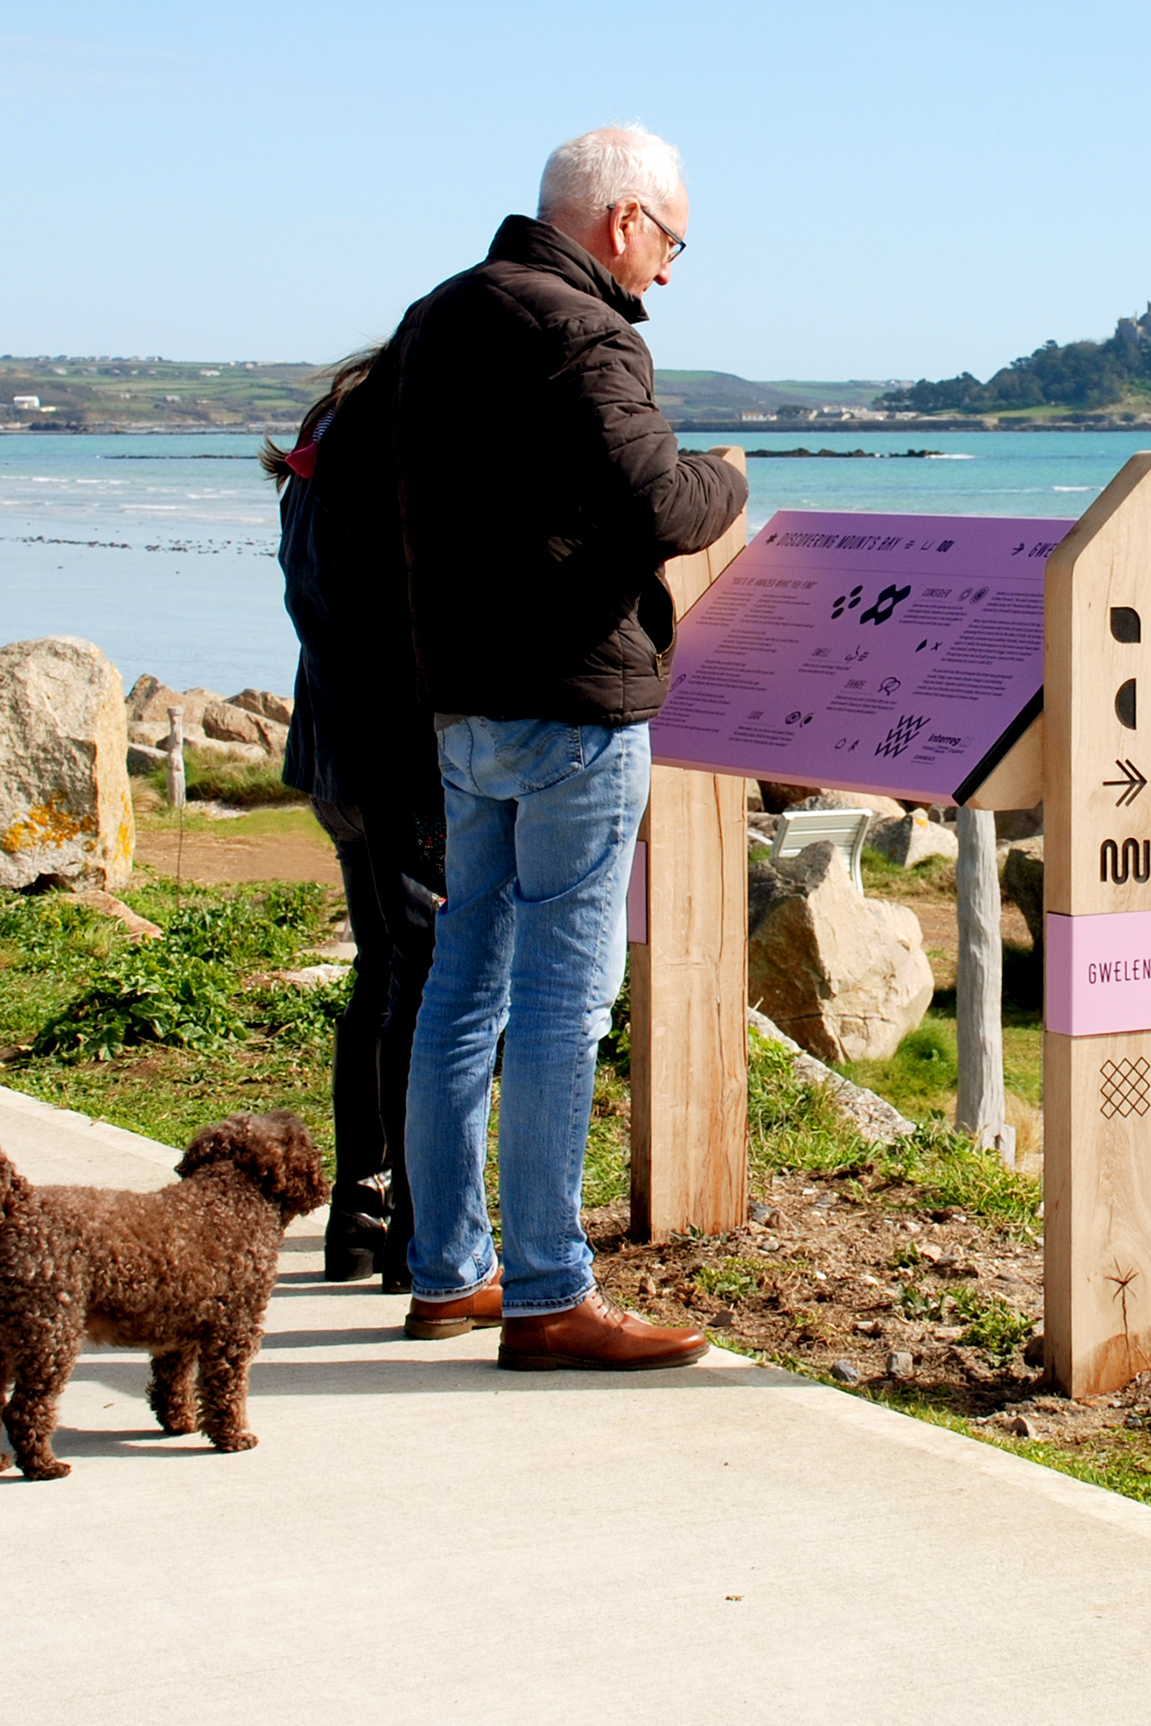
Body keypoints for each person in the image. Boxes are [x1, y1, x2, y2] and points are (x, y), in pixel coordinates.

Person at [389, 124, 746, 1370]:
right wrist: (733, 477)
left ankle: (449, 1273)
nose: (667, 271)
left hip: (462, 698)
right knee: (558, 999)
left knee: (461, 981)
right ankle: (547, 1290)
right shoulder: (588, 331)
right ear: (624, 221)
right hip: (571, 706)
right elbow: (661, 502)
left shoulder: (437, 319)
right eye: (673, 242)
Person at [266, 347, 443, 1288]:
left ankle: (363, 1215)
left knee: (382, 973)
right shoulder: (398, 445)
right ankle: (421, 1226)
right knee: (425, 979)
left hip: (335, 746)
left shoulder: (329, 436)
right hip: (396, 750)